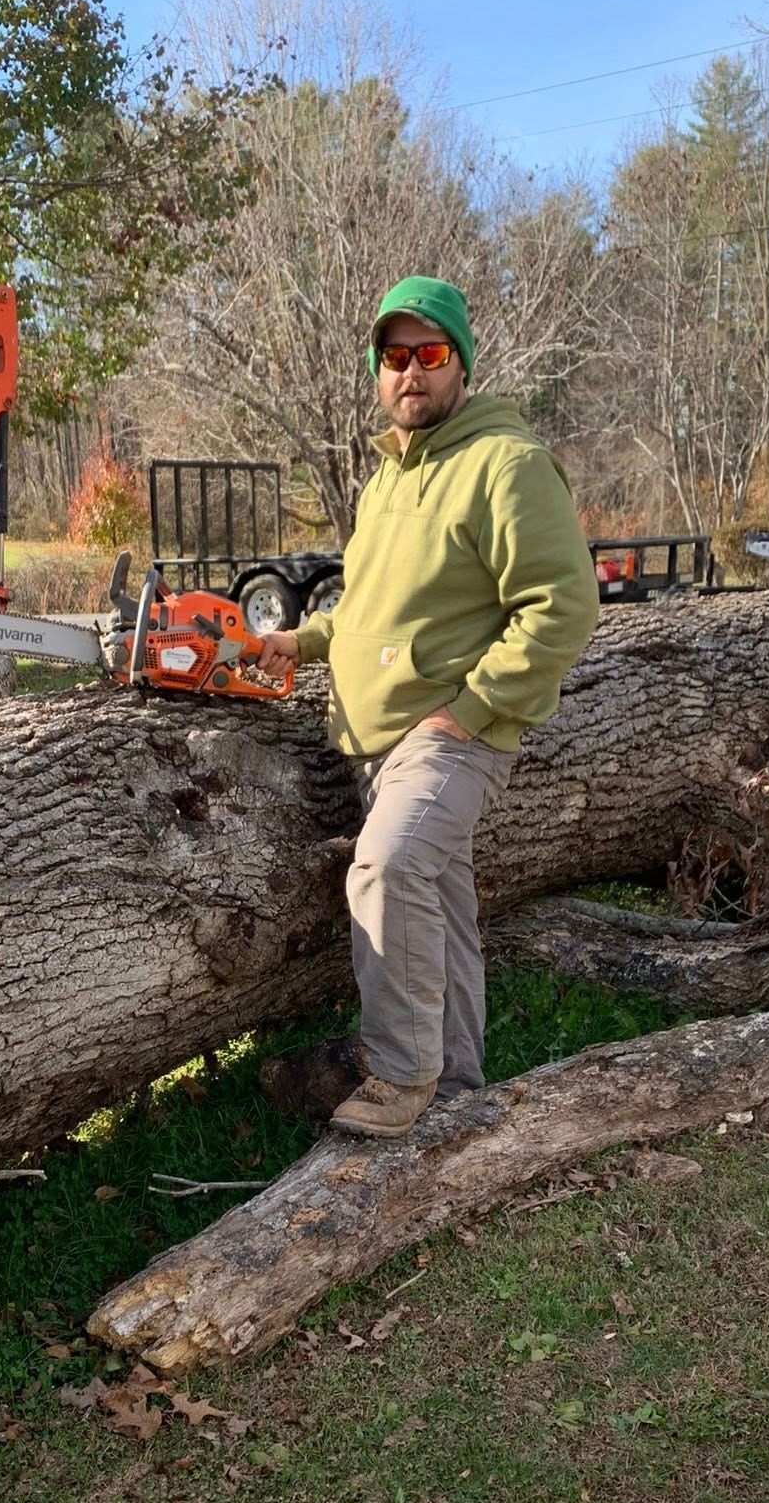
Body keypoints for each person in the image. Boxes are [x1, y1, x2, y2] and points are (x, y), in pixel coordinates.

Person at [257, 277, 599, 1138]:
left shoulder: (506, 466)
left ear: (461, 363)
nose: (410, 372)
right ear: (379, 370)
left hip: (451, 738)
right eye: (394, 357)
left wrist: (472, 708)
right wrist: (303, 642)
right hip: (373, 743)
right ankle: (457, 1084)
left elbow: (563, 605)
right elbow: (368, 606)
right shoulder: (384, 481)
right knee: (440, 901)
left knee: (389, 866)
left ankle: (404, 1076)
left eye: (429, 354)